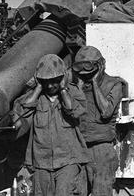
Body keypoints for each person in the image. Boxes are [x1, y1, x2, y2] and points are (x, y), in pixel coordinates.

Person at [13, 54, 88, 196]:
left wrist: (64, 90)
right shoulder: (35, 96)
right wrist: (37, 89)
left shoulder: (74, 93)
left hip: (68, 160)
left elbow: (74, 111)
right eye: (45, 81)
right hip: (41, 162)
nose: (50, 85)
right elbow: (22, 112)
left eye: (54, 81)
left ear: (62, 78)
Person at [73, 46, 125, 196]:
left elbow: (106, 111)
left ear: (100, 66)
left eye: (89, 71)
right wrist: (78, 88)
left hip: (101, 150)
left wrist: (95, 84)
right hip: (79, 149)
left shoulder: (113, 84)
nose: (85, 75)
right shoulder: (77, 86)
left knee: (101, 192)